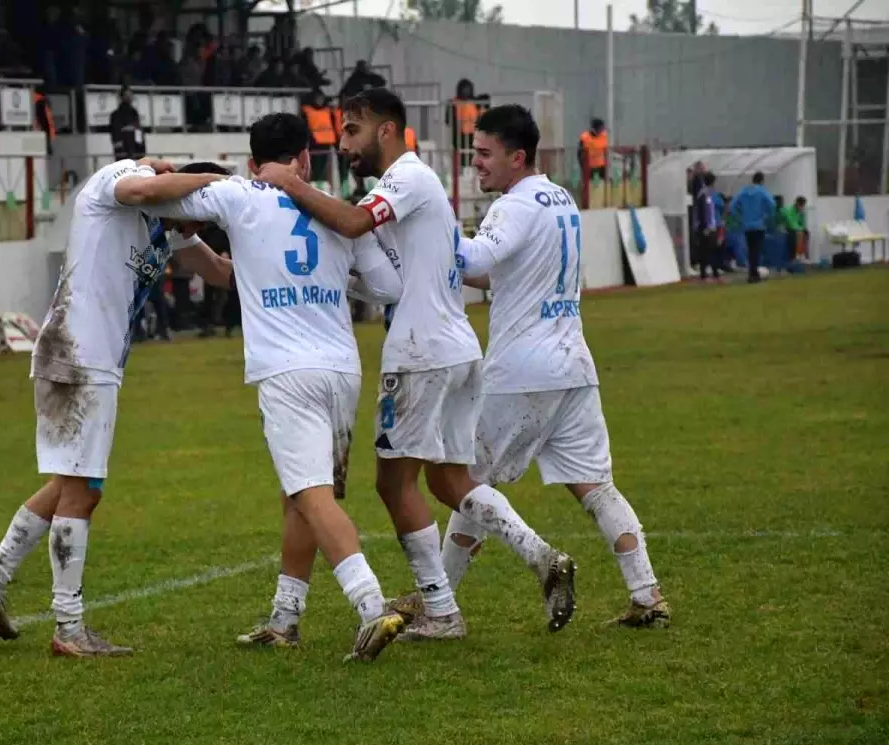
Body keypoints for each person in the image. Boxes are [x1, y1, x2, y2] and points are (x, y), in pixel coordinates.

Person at [255, 89, 576, 641]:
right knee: (450, 481)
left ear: (386, 130)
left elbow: (354, 223)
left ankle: (441, 611)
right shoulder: (405, 187)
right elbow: (389, 279)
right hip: (455, 346)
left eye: (352, 130)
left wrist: (292, 183)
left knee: (393, 483)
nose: (343, 143)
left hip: (420, 351)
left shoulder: (406, 177)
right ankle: (541, 555)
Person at [146, 118, 407, 660]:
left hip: (288, 372)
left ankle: (371, 606)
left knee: (311, 496)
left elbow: (162, 201)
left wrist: (154, 174)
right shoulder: (335, 209)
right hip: (341, 368)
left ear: (252, 162)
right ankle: (285, 619)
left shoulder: (240, 195)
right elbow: (388, 287)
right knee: (301, 496)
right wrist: (328, 278)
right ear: (305, 159)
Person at [0, 158, 233, 658]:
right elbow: (143, 191)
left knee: (68, 483)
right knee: (84, 491)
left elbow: (218, 272)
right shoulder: (117, 181)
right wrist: (219, 181)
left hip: (86, 359)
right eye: (198, 217)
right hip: (80, 355)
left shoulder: (168, 228)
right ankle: (69, 627)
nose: (194, 231)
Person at [423, 105, 669, 631]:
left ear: (517, 157)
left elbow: (472, 260)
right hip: (573, 364)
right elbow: (503, 274)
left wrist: (428, 229)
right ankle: (647, 595)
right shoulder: (560, 198)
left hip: (521, 369)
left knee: (466, 483)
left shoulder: (512, 206)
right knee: (596, 486)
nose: (476, 164)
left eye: (485, 154)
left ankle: (442, 605)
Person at [730, 172, 776, 284]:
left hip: (747, 225)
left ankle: (752, 273)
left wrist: (739, 218)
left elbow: (732, 206)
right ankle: (754, 275)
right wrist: (766, 216)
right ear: (762, 181)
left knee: (751, 250)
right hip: (759, 225)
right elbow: (772, 204)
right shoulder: (762, 191)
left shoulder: (743, 191)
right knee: (756, 250)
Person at [302, 89, 337, 183]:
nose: (320, 101)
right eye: (318, 98)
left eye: (321, 98)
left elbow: (333, 125)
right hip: (314, 142)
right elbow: (305, 126)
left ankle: (321, 183)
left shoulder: (328, 110)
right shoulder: (307, 110)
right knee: (314, 165)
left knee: (324, 166)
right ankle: (315, 182)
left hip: (327, 141)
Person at [695, 172, 723, 280]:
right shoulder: (706, 194)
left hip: (705, 225)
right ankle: (711, 272)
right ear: (712, 182)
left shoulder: (703, 193)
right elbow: (707, 211)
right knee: (710, 249)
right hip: (707, 226)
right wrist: (708, 226)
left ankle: (707, 272)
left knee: (706, 249)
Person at [109, 88, 146, 160]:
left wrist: (140, 144)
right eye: (126, 95)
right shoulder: (116, 114)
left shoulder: (134, 112)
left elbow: (137, 128)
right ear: (121, 97)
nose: (129, 97)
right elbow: (116, 132)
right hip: (123, 148)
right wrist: (119, 147)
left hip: (134, 147)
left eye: (130, 95)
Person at [578, 118, 608, 182]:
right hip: (589, 166)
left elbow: (606, 150)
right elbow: (579, 153)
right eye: (600, 128)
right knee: (589, 184)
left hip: (601, 166)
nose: (602, 130)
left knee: (603, 184)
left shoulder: (604, 136)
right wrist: (582, 166)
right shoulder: (585, 137)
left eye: (602, 128)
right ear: (595, 128)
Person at [781, 196, 808, 263]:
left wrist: (803, 228)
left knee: (806, 233)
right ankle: (794, 256)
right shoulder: (788, 210)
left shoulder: (801, 211)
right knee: (797, 234)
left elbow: (802, 223)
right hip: (787, 228)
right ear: (797, 203)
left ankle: (802, 254)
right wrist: (800, 229)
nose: (802, 207)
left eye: (803, 205)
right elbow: (791, 223)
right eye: (801, 205)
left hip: (796, 228)